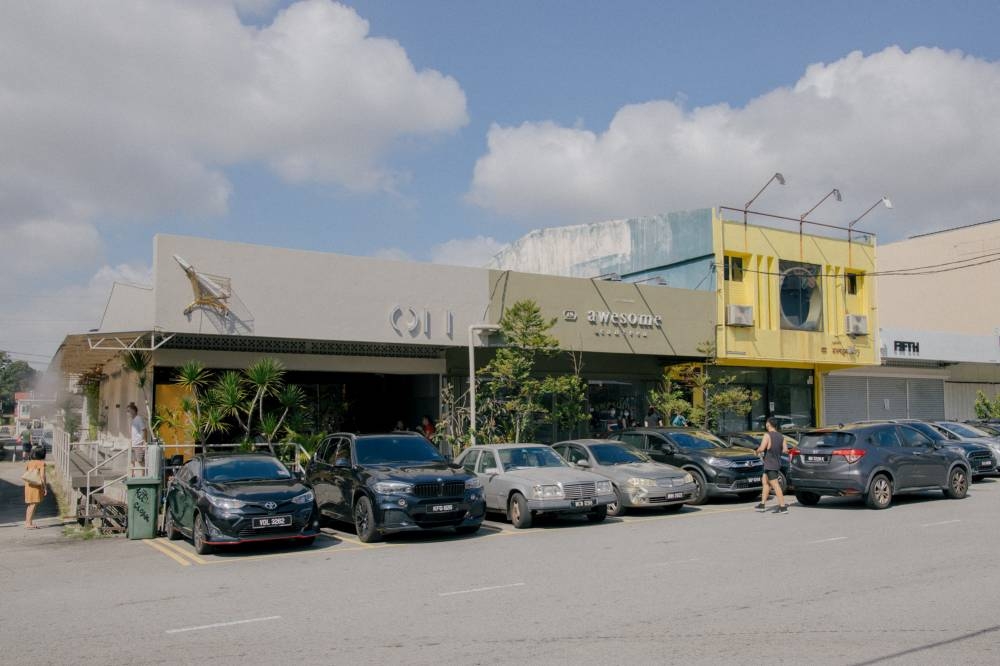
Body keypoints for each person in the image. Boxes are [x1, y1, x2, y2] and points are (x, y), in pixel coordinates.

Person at [755, 417, 789, 514]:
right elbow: (785, 450)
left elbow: (761, 448)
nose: (766, 424)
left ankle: (783, 507)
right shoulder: (782, 436)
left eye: (766, 422)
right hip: (775, 463)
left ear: (769, 424)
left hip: (770, 463)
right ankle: (762, 505)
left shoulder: (767, 435)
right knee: (765, 482)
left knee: (775, 485)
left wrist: (756, 451)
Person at [24, 445, 47, 529]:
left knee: (30, 504)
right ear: (42, 454)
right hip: (36, 486)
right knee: (33, 504)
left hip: (28, 484)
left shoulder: (29, 462)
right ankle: (28, 523)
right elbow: (42, 476)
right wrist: (45, 487)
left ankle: (28, 522)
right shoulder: (41, 463)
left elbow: (27, 473)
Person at [127, 403, 149, 473]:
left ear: (133, 411)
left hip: (139, 444)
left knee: (140, 461)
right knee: (132, 461)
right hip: (133, 444)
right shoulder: (133, 420)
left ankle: (143, 477)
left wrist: (144, 442)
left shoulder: (138, 419)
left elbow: (144, 430)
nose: (127, 413)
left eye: (128, 411)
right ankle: (132, 476)